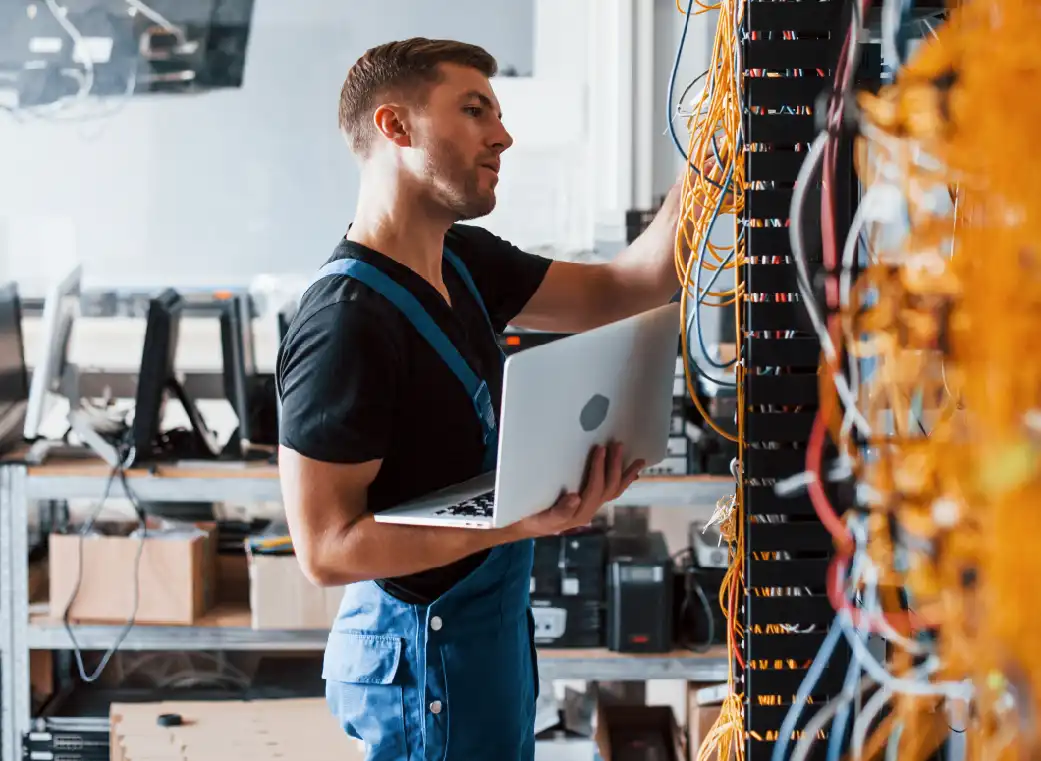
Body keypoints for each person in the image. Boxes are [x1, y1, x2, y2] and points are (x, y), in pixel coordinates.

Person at [277, 37, 697, 761]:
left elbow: (626, 287)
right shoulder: (344, 321)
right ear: (394, 127)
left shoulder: (464, 261)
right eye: (474, 111)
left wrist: (708, 160)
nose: (502, 135)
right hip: (419, 651)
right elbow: (325, 549)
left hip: (482, 633)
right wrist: (517, 523)